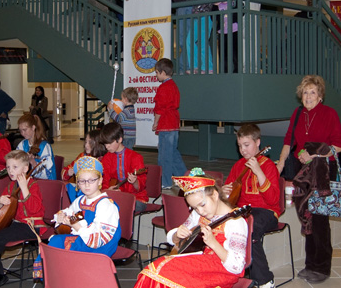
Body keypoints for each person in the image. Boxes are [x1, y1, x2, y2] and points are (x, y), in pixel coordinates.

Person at [276, 75, 341, 284]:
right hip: (301, 171)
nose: (308, 96)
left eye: (312, 92)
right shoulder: (297, 114)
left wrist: (314, 155)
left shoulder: (330, 113)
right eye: (305, 92)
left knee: (320, 218)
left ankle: (322, 267)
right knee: (306, 215)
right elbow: (288, 141)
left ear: (320, 95)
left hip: (323, 171)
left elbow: (338, 145)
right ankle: (310, 264)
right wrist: (280, 163)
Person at [134, 171, 248, 288]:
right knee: (154, 271)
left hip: (221, 271)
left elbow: (237, 267)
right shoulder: (198, 214)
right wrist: (177, 235)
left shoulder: (235, 222)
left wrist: (213, 243)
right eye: (195, 208)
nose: (200, 211)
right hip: (200, 262)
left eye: (202, 205)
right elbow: (176, 238)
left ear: (214, 195)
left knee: (161, 272)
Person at [33, 156, 121, 279]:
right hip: (83, 238)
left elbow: (98, 240)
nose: (86, 185)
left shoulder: (106, 205)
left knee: (58, 247)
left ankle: (63, 278)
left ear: (100, 180)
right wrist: (61, 216)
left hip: (100, 245)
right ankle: (55, 278)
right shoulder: (81, 200)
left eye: (91, 180)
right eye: (82, 181)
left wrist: (75, 225)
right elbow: (69, 211)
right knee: (54, 244)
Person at [0, 150, 45, 288]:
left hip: (32, 225)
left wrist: (24, 189)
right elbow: (2, 209)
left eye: (15, 167)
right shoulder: (11, 185)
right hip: (16, 224)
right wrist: (0, 201)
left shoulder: (33, 185)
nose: (10, 171)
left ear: (25, 168)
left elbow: (34, 210)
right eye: (8, 167)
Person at [221, 124, 281, 288]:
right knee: (222, 224)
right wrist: (224, 192)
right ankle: (228, 273)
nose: (243, 150)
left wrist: (258, 171)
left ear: (258, 142)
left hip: (267, 212)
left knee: (249, 228)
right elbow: (229, 199)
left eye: (246, 145)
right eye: (240, 146)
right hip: (244, 211)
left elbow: (273, 200)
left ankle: (265, 280)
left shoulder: (268, 165)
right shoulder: (238, 166)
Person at [152, 58, 188, 189]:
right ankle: (184, 178)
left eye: (157, 73)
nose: (156, 75)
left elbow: (160, 108)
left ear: (162, 72)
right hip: (174, 123)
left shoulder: (163, 88)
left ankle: (165, 182)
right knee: (173, 153)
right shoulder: (174, 86)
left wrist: (155, 122)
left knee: (164, 155)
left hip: (165, 123)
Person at [100, 122, 148, 211]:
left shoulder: (135, 157)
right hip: (114, 197)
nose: (107, 147)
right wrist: (108, 190)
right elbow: (104, 179)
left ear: (120, 139)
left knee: (123, 206)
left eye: (109, 143)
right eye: (105, 144)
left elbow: (141, 186)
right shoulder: (106, 158)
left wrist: (135, 182)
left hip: (136, 198)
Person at [182, 0, 216, 74]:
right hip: (197, 18)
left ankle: (207, 67)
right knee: (190, 41)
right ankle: (196, 66)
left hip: (205, 17)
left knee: (202, 42)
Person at [16, 113, 56, 180]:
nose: (22, 133)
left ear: (33, 127)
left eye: (25, 130)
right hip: (28, 180)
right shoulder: (22, 144)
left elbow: (47, 174)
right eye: (20, 131)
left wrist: (33, 162)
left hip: (45, 182)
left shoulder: (44, 146)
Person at [216, 0, 239, 73]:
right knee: (223, 53)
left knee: (235, 52)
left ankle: (237, 70)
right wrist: (215, 5)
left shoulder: (233, 2)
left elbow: (239, 14)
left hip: (234, 30)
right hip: (222, 32)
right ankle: (225, 71)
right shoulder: (218, 5)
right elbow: (213, 16)